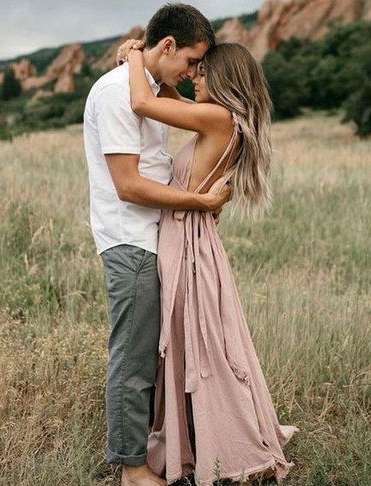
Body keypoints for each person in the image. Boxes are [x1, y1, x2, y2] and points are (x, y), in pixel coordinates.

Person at [117, 38, 299, 485]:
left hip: (187, 242)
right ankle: (200, 434)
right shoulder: (223, 119)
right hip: (192, 238)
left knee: (198, 344)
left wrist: (135, 56)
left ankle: (221, 441)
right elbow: (166, 98)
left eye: (201, 71)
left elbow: (143, 100)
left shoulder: (217, 118)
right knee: (196, 340)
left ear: (222, 79)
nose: (194, 76)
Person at [82, 4, 232, 486]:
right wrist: (198, 200)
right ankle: (132, 469)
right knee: (134, 355)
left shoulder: (140, 86)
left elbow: (170, 113)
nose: (191, 75)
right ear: (167, 46)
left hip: (155, 236)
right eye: (190, 61)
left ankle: (166, 445)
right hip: (131, 238)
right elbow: (128, 184)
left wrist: (135, 59)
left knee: (157, 353)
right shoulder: (114, 93)